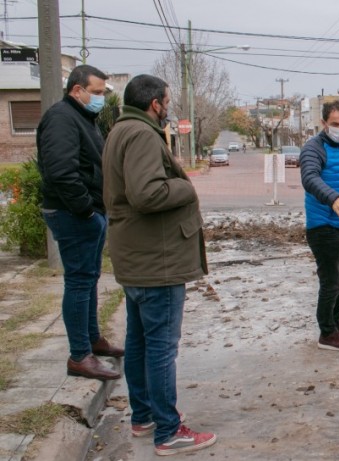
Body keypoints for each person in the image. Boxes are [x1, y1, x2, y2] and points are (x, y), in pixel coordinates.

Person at [102, 74, 216, 456]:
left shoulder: (123, 129)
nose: (169, 107)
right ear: (155, 103)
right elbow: (146, 193)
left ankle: (144, 416)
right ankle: (169, 431)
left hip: (140, 257)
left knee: (139, 343)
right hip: (156, 262)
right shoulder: (141, 134)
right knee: (161, 349)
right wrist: (186, 186)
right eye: (167, 101)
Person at [36, 64, 124, 381]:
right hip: (73, 215)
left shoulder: (82, 118)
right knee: (78, 281)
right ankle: (79, 356)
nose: (100, 98)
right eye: (97, 93)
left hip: (87, 213)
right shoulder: (62, 118)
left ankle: (92, 341)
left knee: (88, 279)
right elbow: (61, 172)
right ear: (77, 90)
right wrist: (86, 211)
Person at [300, 100, 339, 352]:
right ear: (324, 123)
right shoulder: (313, 149)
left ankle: (336, 317)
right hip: (323, 225)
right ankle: (327, 333)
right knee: (331, 281)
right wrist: (332, 198)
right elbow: (310, 178)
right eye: (335, 124)